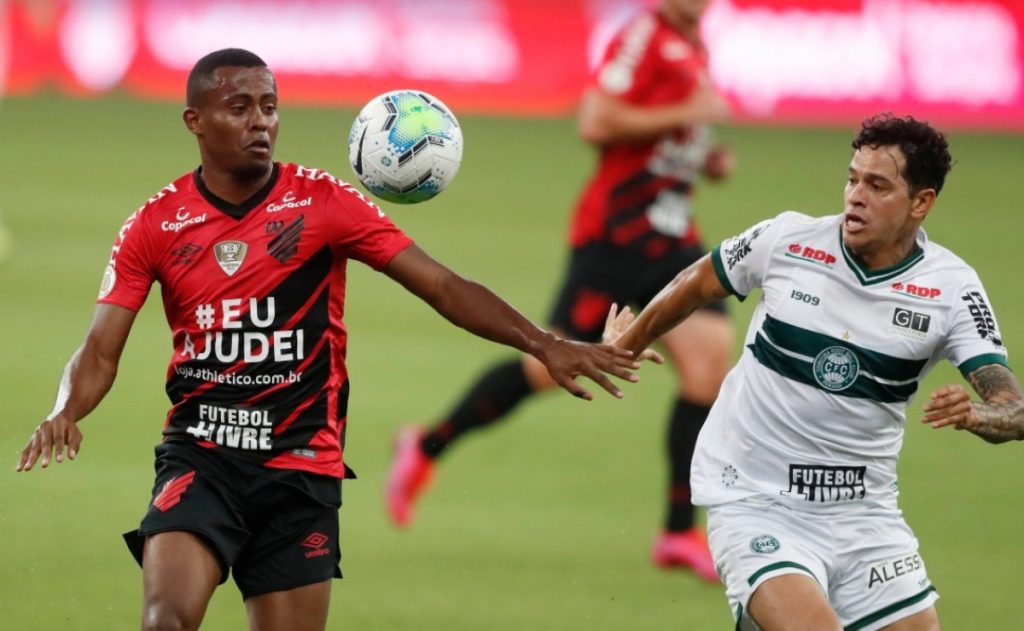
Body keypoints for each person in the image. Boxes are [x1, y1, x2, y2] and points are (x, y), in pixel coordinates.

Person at [13, 48, 646, 631]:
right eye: (240, 107)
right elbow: (100, 351)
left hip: (300, 470)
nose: (261, 122)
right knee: (164, 622)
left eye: (269, 106)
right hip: (202, 459)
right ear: (195, 121)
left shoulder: (324, 203)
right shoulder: (156, 224)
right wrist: (65, 409)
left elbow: (443, 286)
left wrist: (544, 343)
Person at [604, 113, 1022, 630]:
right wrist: (625, 345)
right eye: (852, 179)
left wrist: (978, 415)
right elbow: (695, 283)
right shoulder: (788, 241)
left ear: (921, 202)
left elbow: (1014, 409)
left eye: (877, 186)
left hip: (865, 514)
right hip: (755, 498)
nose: (855, 197)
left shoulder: (951, 288)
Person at [385, 0, 733, 581]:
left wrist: (701, 156)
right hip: (617, 237)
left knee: (707, 367)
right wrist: (685, 112)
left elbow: (660, 141)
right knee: (549, 366)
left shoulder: (693, 43)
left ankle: (677, 532)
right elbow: (596, 122)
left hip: (672, 235)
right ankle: (425, 445)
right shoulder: (642, 38)